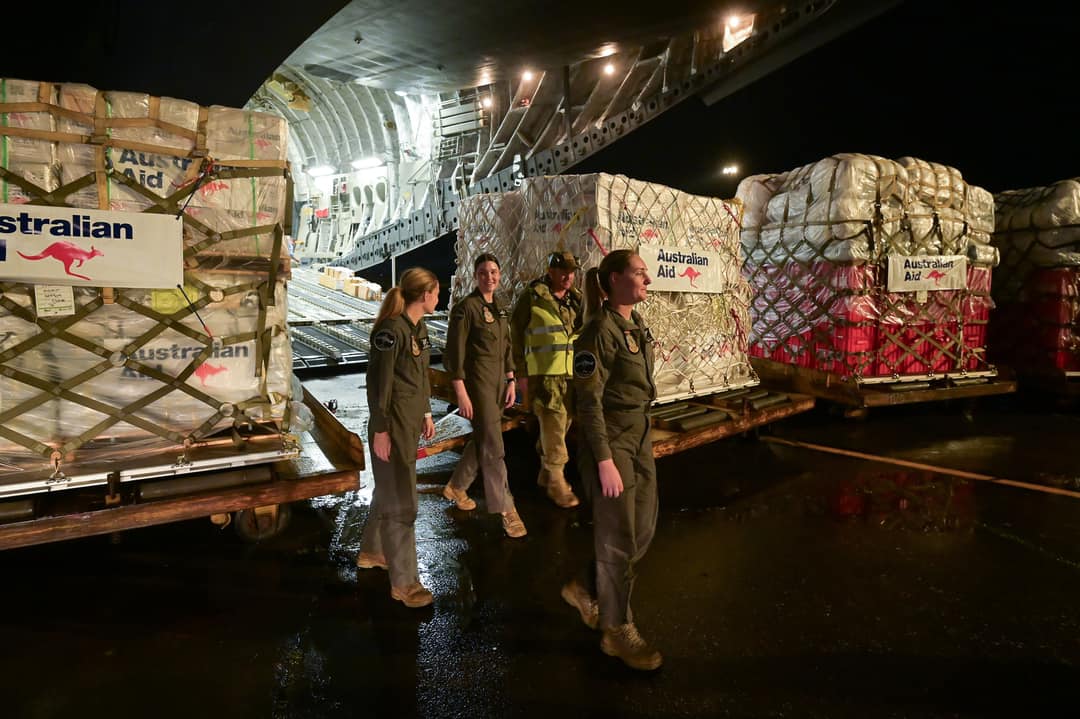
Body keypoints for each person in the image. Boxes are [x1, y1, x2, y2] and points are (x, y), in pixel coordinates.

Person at [560, 249, 663, 671]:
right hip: (611, 440)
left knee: (642, 529)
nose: (648, 280)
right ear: (615, 279)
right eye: (639, 273)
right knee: (618, 534)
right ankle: (617, 629)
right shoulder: (596, 333)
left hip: (638, 437)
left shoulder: (635, 325)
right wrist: (603, 458)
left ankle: (587, 586)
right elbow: (587, 402)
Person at [356, 267, 439, 608]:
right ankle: (404, 583)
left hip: (408, 425)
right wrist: (380, 430)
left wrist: (427, 412)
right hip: (391, 428)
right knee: (403, 502)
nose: (439, 298)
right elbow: (379, 386)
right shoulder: (391, 332)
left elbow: (419, 377)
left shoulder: (417, 328)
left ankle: (373, 552)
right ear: (424, 295)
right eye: (436, 293)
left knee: (390, 491)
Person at [441, 253, 527, 538]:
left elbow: (506, 348)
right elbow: (454, 355)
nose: (489, 277)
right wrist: (461, 394)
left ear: (499, 275)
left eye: (493, 271)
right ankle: (507, 510)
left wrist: (512, 380)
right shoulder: (467, 309)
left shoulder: (500, 309)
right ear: (475, 276)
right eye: (483, 272)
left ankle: (456, 486)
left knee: (483, 439)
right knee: (494, 447)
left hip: (499, 387)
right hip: (477, 388)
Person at [509, 250, 583, 509]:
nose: (568, 277)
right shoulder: (533, 297)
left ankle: (545, 472)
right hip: (544, 375)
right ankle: (556, 480)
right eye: (563, 271)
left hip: (570, 375)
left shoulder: (576, 300)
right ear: (551, 272)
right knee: (553, 423)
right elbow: (516, 334)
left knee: (561, 425)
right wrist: (520, 373)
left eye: (572, 272)